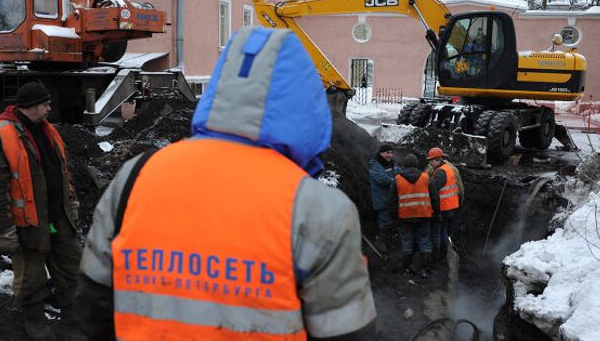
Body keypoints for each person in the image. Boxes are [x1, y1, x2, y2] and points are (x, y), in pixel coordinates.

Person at [74, 27, 377, 340]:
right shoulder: (320, 210)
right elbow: (349, 334)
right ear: (308, 110)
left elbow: (91, 311)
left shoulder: (135, 177)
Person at [0, 82, 81, 341]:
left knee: (72, 270)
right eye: (45, 104)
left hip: (59, 219)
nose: (49, 108)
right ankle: (36, 324)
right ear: (31, 106)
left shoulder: (49, 131)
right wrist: (2, 230)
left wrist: (72, 204)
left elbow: (63, 172)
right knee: (31, 278)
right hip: (28, 224)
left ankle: (74, 320)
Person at [388, 154, 439, 278]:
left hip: (405, 217)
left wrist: (395, 216)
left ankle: (407, 269)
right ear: (417, 164)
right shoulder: (426, 178)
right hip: (424, 216)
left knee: (406, 241)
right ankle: (425, 270)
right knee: (424, 241)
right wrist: (436, 214)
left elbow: (391, 200)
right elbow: (435, 198)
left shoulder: (397, 179)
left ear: (405, 165)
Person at [426, 147, 464, 265]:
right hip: (449, 208)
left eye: (432, 160)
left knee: (437, 233)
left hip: (442, 208)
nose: (430, 163)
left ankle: (436, 257)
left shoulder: (440, 172)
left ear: (438, 159)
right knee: (444, 232)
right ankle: (443, 255)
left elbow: (433, 189)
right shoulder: (448, 168)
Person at [368, 143, 399, 253]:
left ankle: (389, 241)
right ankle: (380, 241)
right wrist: (398, 182)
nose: (390, 155)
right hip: (382, 198)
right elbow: (382, 180)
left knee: (391, 220)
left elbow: (399, 174)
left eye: (391, 153)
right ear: (381, 153)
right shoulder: (375, 165)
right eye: (387, 153)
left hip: (392, 198)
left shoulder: (392, 164)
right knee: (384, 220)